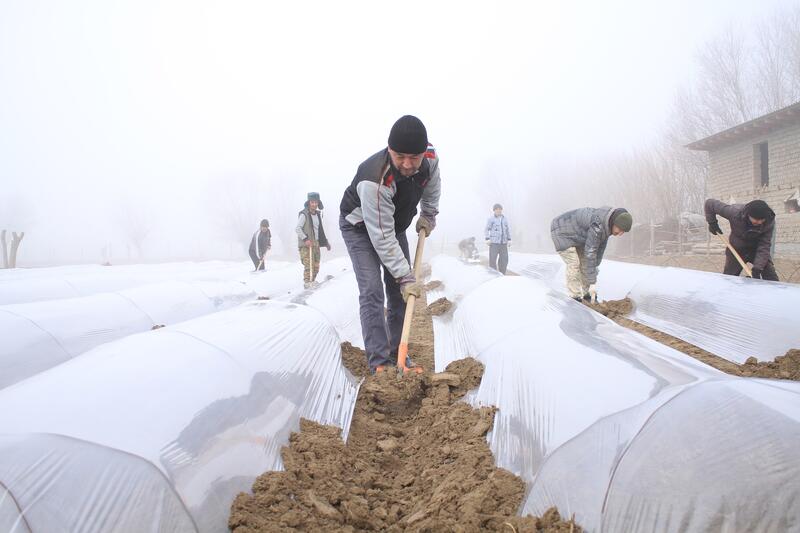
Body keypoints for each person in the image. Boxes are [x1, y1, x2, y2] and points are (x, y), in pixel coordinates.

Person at [340, 115, 440, 373]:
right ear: (389, 150)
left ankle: (399, 355)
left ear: (423, 153)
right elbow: (381, 237)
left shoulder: (429, 160)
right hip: (360, 228)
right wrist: (404, 275)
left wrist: (428, 213)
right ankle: (380, 363)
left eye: (414, 158)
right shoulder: (374, 179)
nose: (407, 164)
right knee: (373, 290)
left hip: (393, 225)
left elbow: (432, 186)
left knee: (399, 293)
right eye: (400, 157)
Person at [551, 207, 632, 302]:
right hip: (562, 231)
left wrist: (594, 267)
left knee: (586, 264)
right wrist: (592, 283)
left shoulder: (607, 225)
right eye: (620, 229)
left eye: (623, 232)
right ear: (614, 223)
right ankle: (574, 297)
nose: (620, 234)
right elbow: (590, 253)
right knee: (574, 263)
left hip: (578, 236)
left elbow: (600, 248)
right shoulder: (598, 225)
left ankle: (588, 295)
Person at [705, 198, 779, 281]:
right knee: (729, 278)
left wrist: (758, 268)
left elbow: (764, 245)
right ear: (748, 215)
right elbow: (709, 203)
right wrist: (712, 223)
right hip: (736, 249)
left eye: (762, 220)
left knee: (771, 277)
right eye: (756, 220)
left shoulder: (769, 222)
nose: (760, 222)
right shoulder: (734, 212)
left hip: (756, 249)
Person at [296, 192, 331, 288]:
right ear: (309, 202)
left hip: (315, 243)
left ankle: (312, 281)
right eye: (312, 202)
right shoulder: (304, 214)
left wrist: (326, 242)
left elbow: (320, 230)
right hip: (306, 244)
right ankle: (307, 283)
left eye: (316, 202)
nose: (314, 204)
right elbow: (298, 229)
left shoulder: (318, 215)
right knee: (309, 265)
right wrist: (305, 239)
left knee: (316, 265)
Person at [485, 203, 511, 274]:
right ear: (494, 210)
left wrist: (509, 239)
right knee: (493, 260)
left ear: (501, 210)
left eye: (500, 209)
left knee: (504, 260)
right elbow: (487, 229)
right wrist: (487, 239)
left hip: (503, 243)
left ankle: (502, 274)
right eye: (496, 209)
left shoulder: (505, 219)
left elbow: (507, 230)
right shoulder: (491, 219)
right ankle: (493, 274)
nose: (498, 210)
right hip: (494, 243)